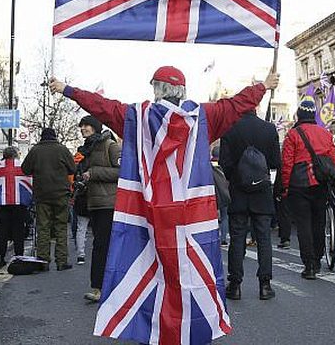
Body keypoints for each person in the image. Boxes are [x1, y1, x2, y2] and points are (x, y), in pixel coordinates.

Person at [49, 66, 279, 340]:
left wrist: (68, 89)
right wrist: (263, 86)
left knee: (148, 267)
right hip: (192, 212)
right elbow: (235, 105)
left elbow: (102, 107)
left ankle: (152, 325)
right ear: (182, 90)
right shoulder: (203, 116)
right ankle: (190, 324)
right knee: (189, 270)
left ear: (157, 89)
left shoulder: (137, 116)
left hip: (148, 209)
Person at [219, 109, 281, 300]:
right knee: (263, 239)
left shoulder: (230, 129)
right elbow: (275, 162)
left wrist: (238, 175)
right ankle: (265, 285)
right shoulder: (269, 129)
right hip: (261, 191)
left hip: (239, 191)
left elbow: (224, 163)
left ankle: (235, 285)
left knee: (237, 238)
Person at [281, 99, 335, 280]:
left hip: (299, 184)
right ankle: (318, 259)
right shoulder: (325, 133)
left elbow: (287, 163)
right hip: (320, 183)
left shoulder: (293, 134)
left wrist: (285, 187)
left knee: (303, 225)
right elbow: (333, 159)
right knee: (318, 222)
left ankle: (309, 265)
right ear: (313, 115)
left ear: (299, 115)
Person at [75, 115, 121, 303]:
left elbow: (123, 171)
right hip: (94, 202)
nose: (83, 129)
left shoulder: (110, 145)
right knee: (100, 246)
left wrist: (93, 173)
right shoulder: (87, 149)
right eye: (82, 126)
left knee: (103, 246)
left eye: (87, 125)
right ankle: (101, 287)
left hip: (109, 203)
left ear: (95, 127)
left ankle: (100, 288)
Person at [21, 127, 76, 271]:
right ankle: (61, 261)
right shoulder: (62, 149)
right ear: (55, 136)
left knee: (43, 227)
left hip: (42, 194)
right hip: (61, 194)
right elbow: (72, 169)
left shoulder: (35, 150)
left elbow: (25, 169)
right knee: (61, 227)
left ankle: (43, 261)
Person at [0, 147, 32, 267]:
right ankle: (19, 256)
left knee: (1, 231)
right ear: (16, 155)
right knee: (18, 230)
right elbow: (29, 182)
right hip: (18, 203)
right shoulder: (22, 166)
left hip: (1, 203)